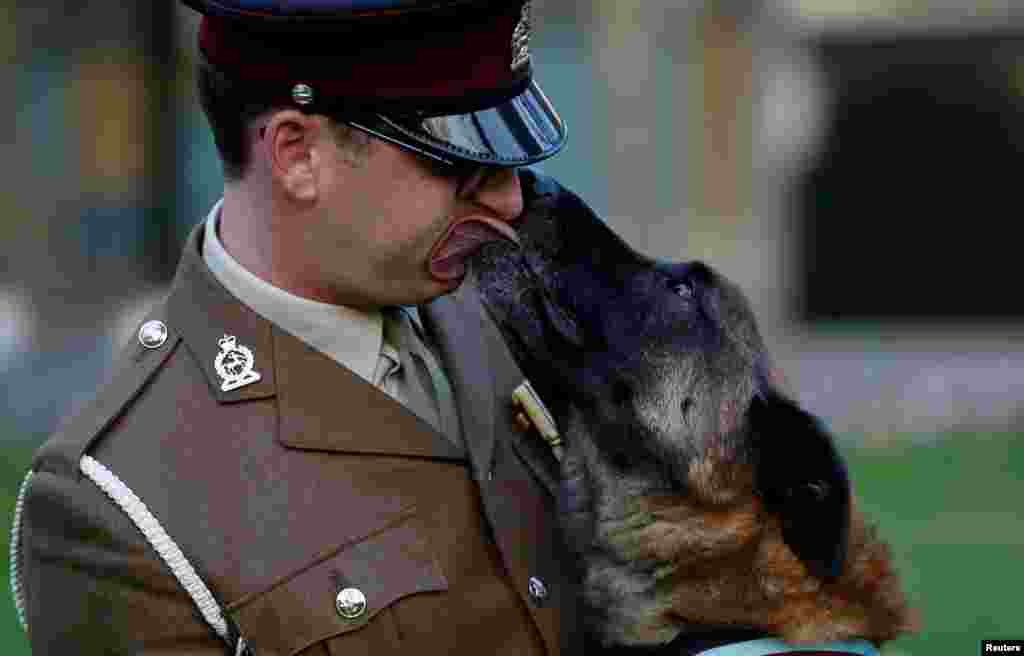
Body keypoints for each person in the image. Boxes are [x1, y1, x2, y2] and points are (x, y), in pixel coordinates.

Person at [11, 1, 580, 654]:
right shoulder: (119, 508)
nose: (509, 199)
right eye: (458, 164)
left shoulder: (512, 303)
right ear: (297, 154)